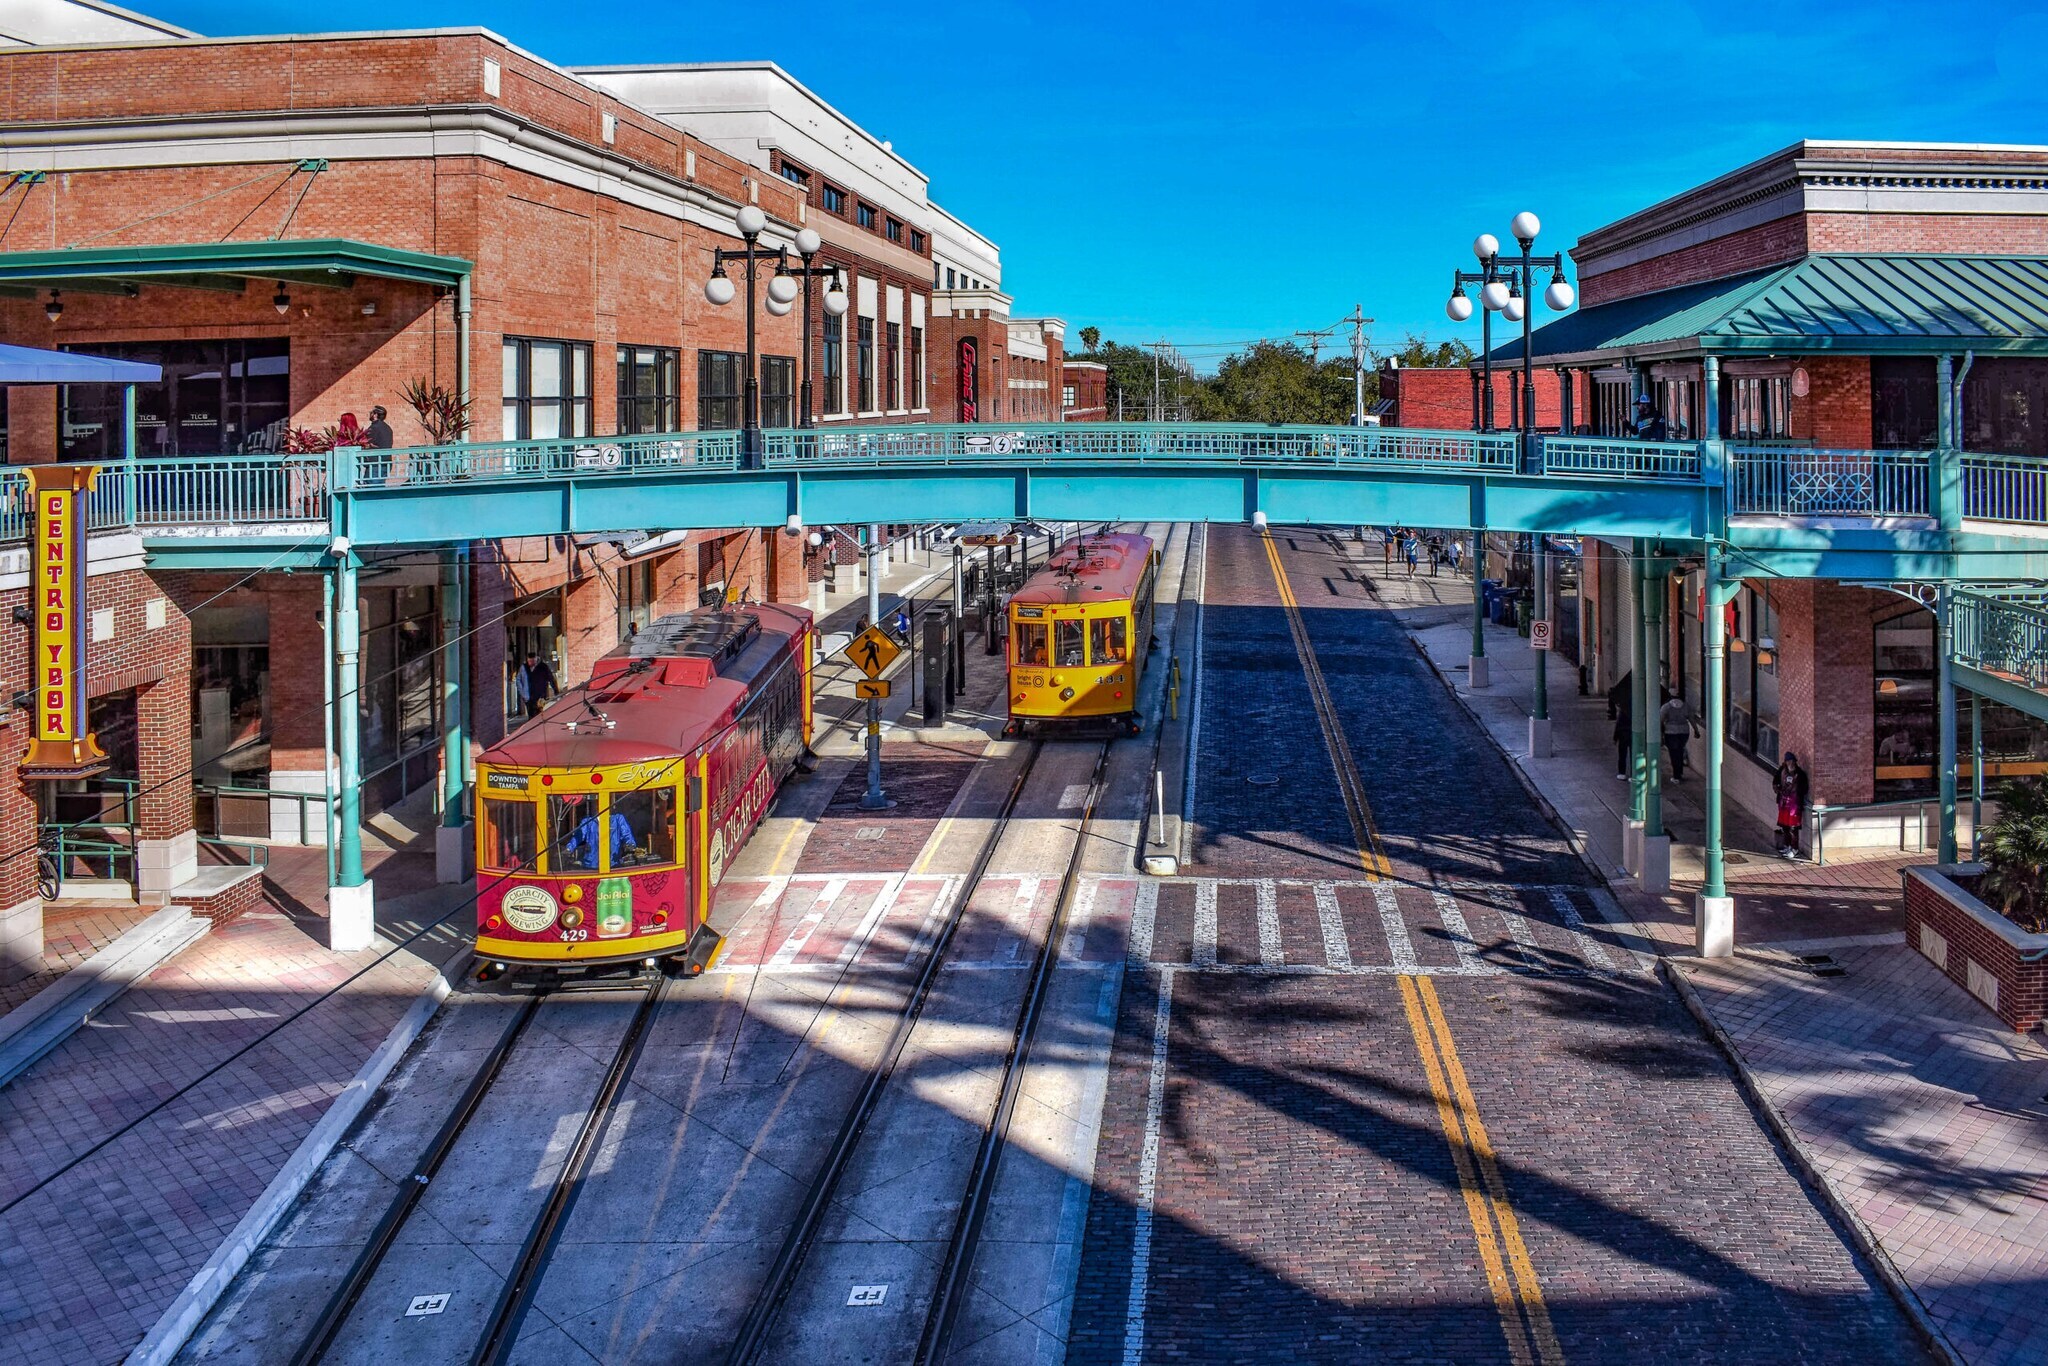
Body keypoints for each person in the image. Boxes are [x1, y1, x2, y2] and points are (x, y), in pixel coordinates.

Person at [565, 797, 637, 869]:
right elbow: (578, 837)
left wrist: (630, 844)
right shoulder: (588, 822)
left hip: (613, 864)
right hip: (591, 865)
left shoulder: (618, 819)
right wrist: (569, 848)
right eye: (597, 803)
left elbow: (626, 834)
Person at [1773, 752, 1810, 859]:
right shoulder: (1782, 770)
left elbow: (1804, 788)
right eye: (1789, 761)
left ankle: (1794, 849)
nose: (1791, 763)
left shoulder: (1800, 774)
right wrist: (1777, 788)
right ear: (1785, 762)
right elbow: (1775, 781)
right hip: (1783, 803)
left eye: (1793, 761)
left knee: (1793, 828)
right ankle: (1787, 846)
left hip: (1794, 805)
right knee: (1785, 826)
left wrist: (1796, 794)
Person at [1660, 688, 1699, 781]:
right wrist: (1696, 730)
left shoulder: (1666, 707)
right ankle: (1680, 772)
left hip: (1670, 732)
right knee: (1680, 751)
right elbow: (1691, 719)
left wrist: (1660, 733)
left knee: (1673, 753)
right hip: (1684, 732)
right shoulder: (1686, 706)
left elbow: (1660, 720)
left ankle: (1676, 775)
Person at [515, 650, 557, 719]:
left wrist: (556, 690)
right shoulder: (524, 668)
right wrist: (522, 693)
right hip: (528, 697)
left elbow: (551, 678)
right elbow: (518, 680)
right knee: (531, 717)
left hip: (540, 698)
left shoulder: (543, 667)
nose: (530, 663)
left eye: (532, 661)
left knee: (539, 716)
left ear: (536, 659)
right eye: (529, 661)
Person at [1608, 670, 1635, 779]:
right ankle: (1634, 773)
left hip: (1624, 735)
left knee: (1622, 754)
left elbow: (1618, 724)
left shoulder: (1623, 713)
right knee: (1635, 754)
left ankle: (1622, 772)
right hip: (1634, 735)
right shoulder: (1637, 713)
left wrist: (1615, 738)